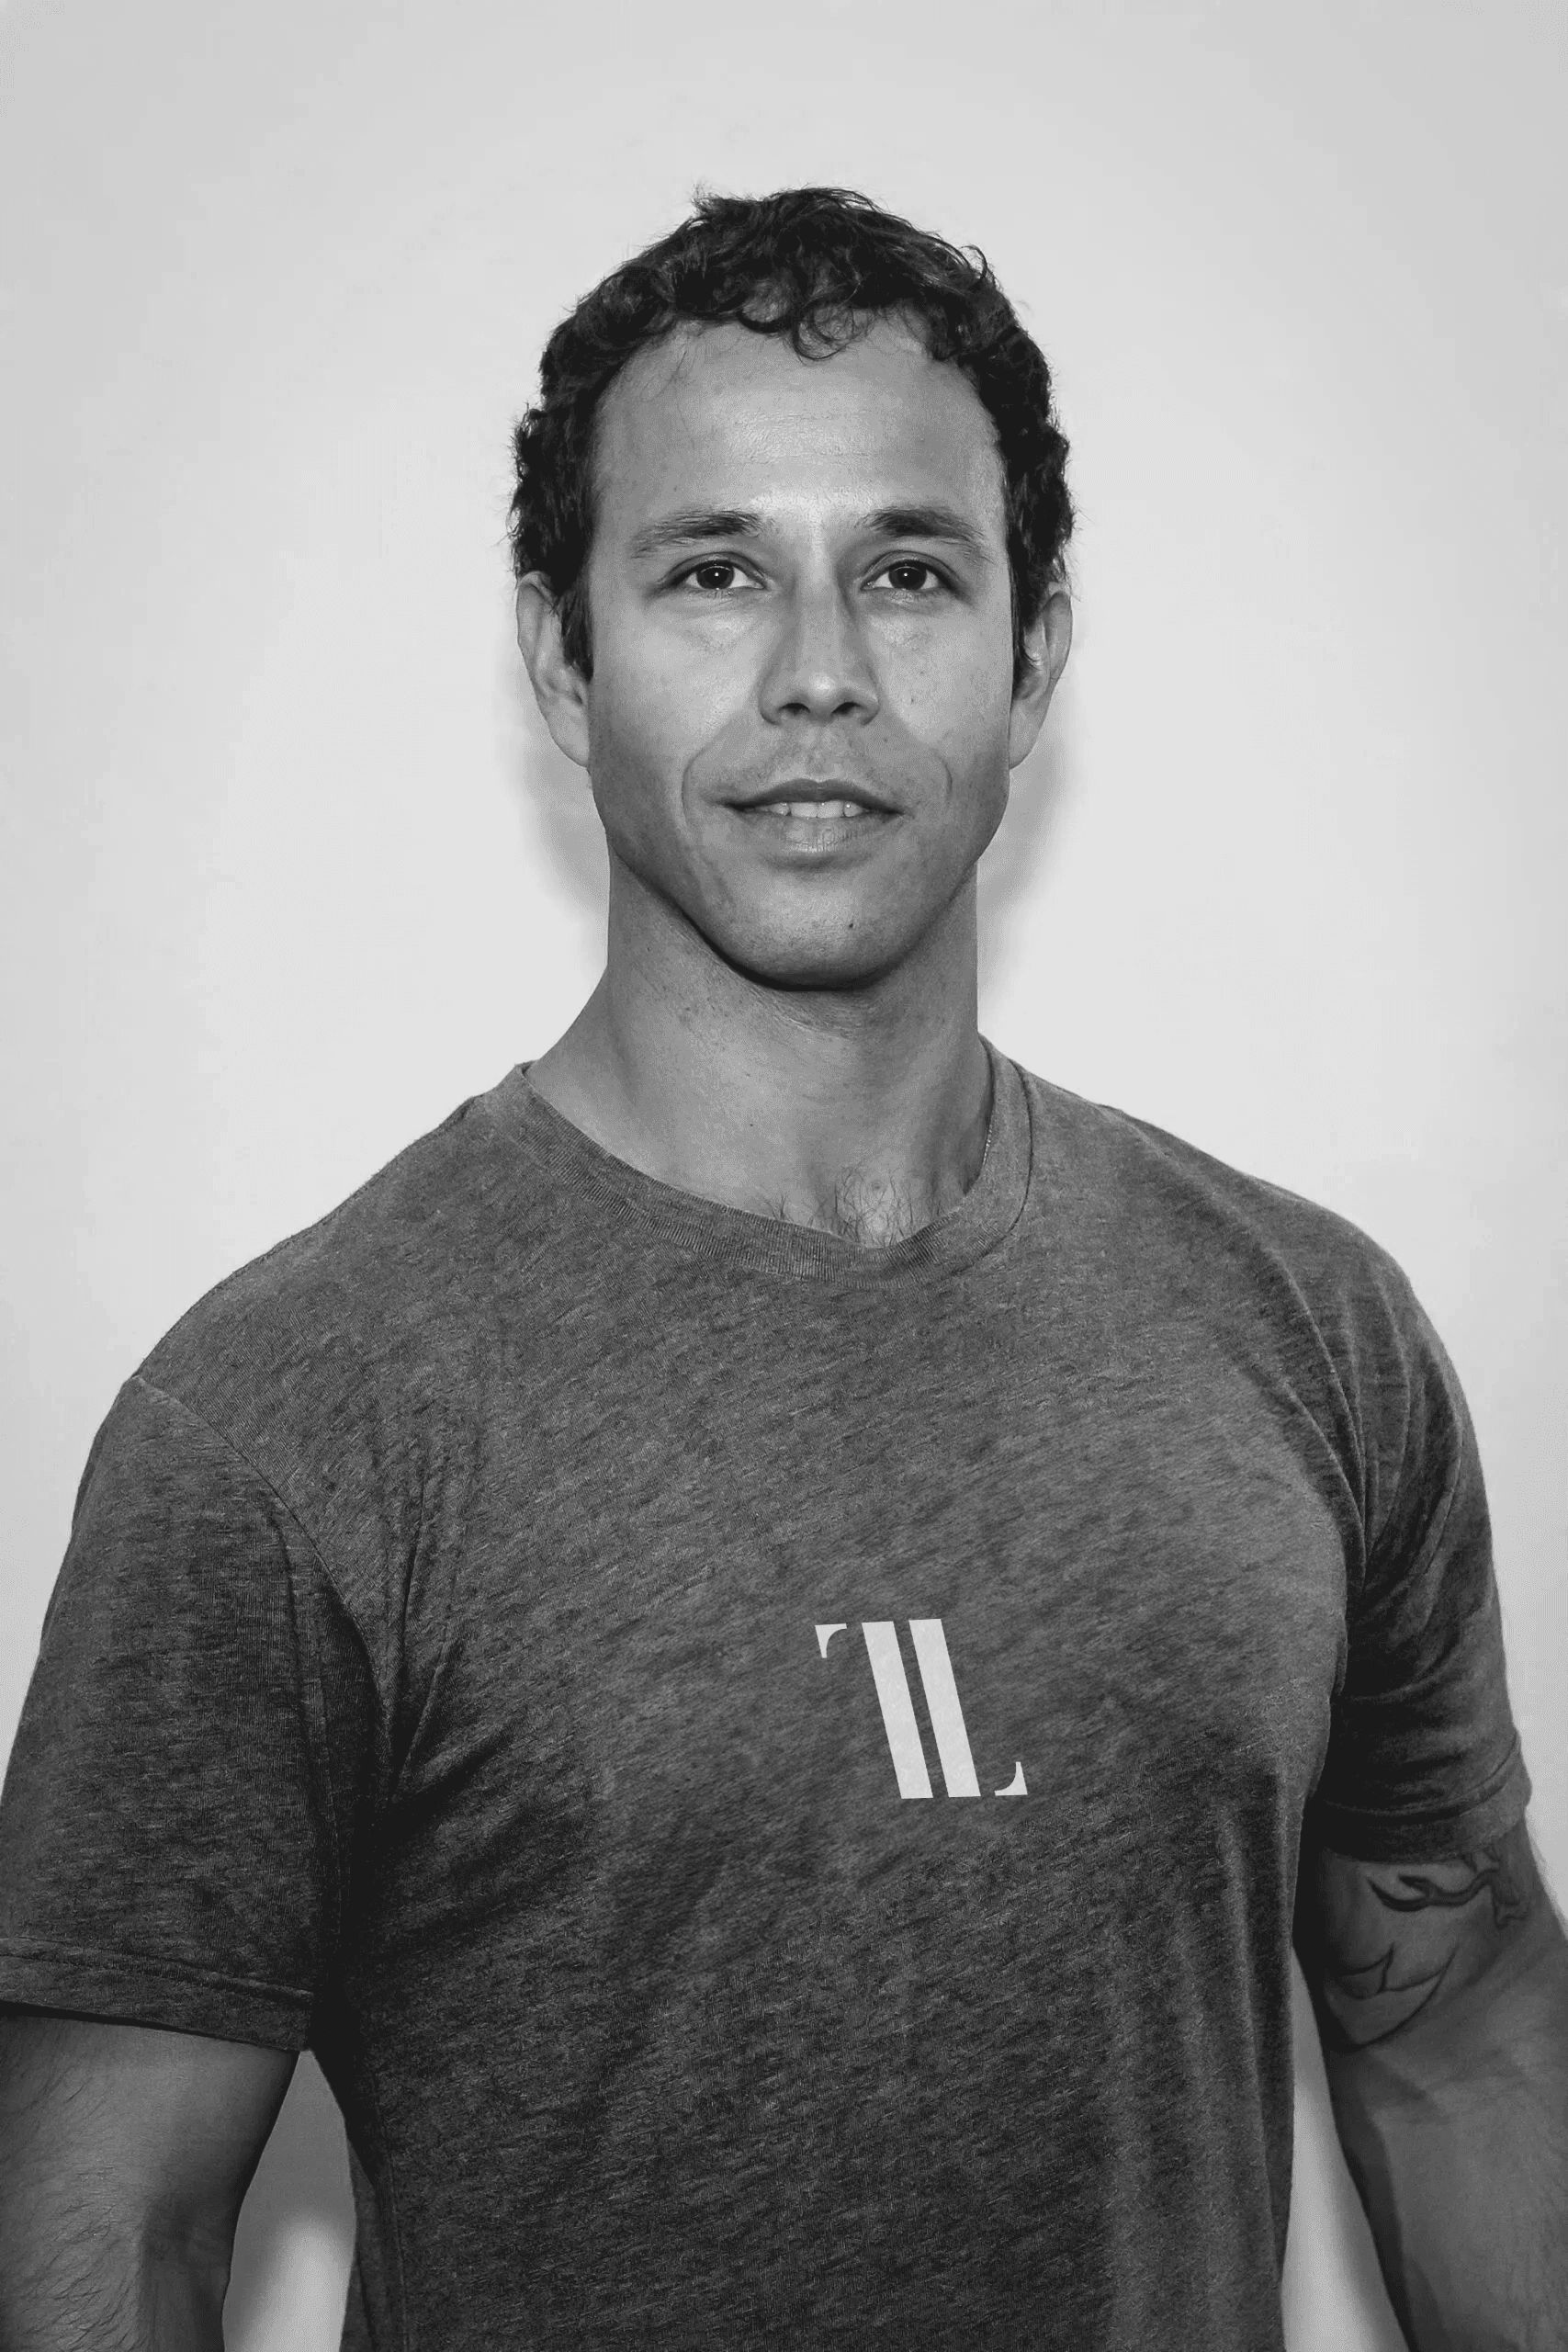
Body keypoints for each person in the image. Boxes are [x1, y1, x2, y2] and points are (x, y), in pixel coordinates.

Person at [0, 184, 1562, 2352]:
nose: (819, 670)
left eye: (908, 571)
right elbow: (104, 2222)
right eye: (712, 570)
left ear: (1033, 652)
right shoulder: (293, 1416)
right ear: (563, 655)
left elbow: (1456, 2023)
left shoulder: (1308, 1329)